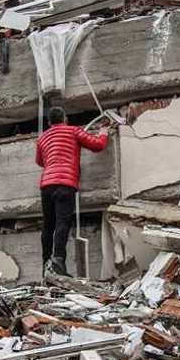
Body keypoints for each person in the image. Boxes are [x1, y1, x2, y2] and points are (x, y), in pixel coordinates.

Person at [35, 106, 110, 276]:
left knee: (48, 226)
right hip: (65, 183)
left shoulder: (43, 138)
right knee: (62, 222)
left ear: (49, 122)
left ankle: (46, 264)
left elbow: (40, 161)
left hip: (46, 184)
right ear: (65, 118)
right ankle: (58, 262)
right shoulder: (73, 131)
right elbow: (97, 145)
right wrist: (104, 131)